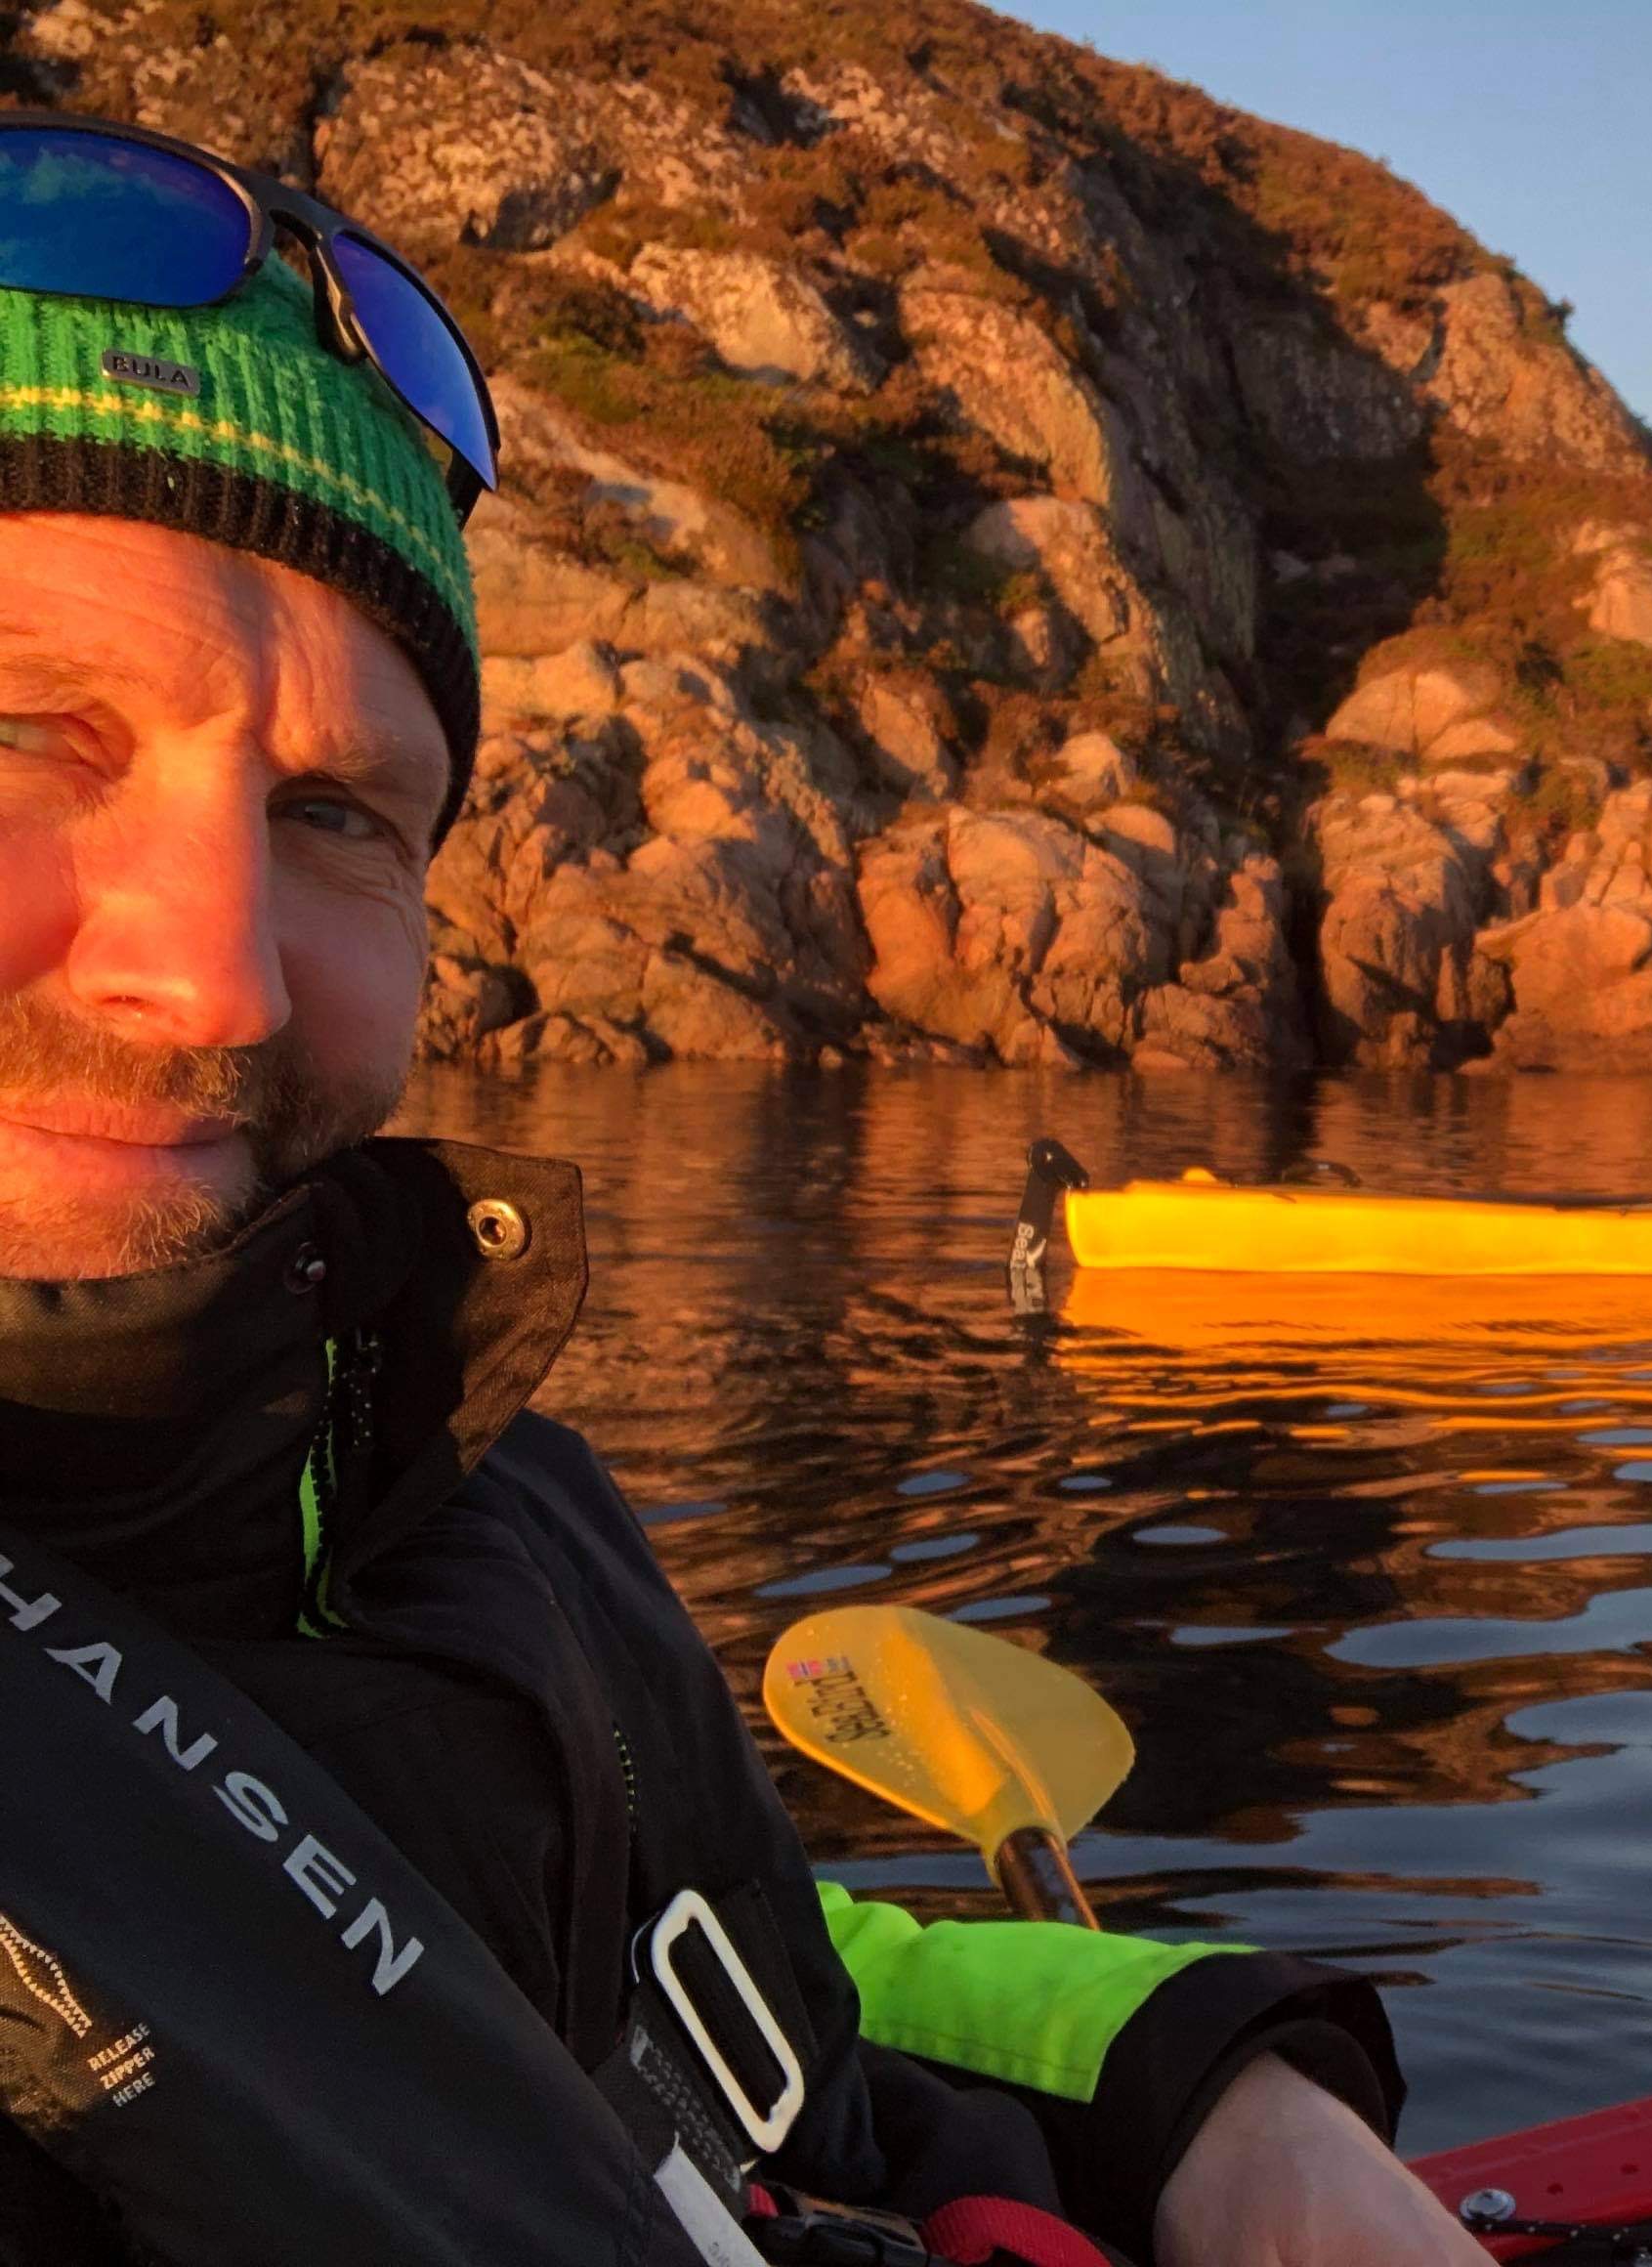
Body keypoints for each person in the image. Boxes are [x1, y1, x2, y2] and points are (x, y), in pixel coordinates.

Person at [0, 111, 1488, 2266]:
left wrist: (1208, 2081)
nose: (212, 967)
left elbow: (737, 1981)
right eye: (31, 729)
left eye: (336, 812)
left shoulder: (472, 1506)